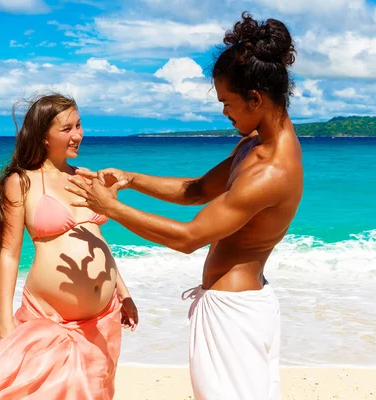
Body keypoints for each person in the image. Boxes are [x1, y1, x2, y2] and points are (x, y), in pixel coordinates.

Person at [66, 12, 302, 400]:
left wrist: (111, 207)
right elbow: (195, 189)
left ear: (255, 99)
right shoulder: (254, 146)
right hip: (238, 308)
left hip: (235, 317)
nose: (224, 112)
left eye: (227, 102)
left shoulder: (272, 172)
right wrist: (130, 179)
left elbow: (189, 237)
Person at [0, 93, 138, 400]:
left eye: (80, 125)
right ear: (44, 136)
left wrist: (124, 294)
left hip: (103, 319)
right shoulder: (21, 182)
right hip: (49, 318)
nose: (78, 135)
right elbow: (9, 253)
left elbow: (97, 239)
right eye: (67, 128)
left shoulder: (86, 178)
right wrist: (4, 320)